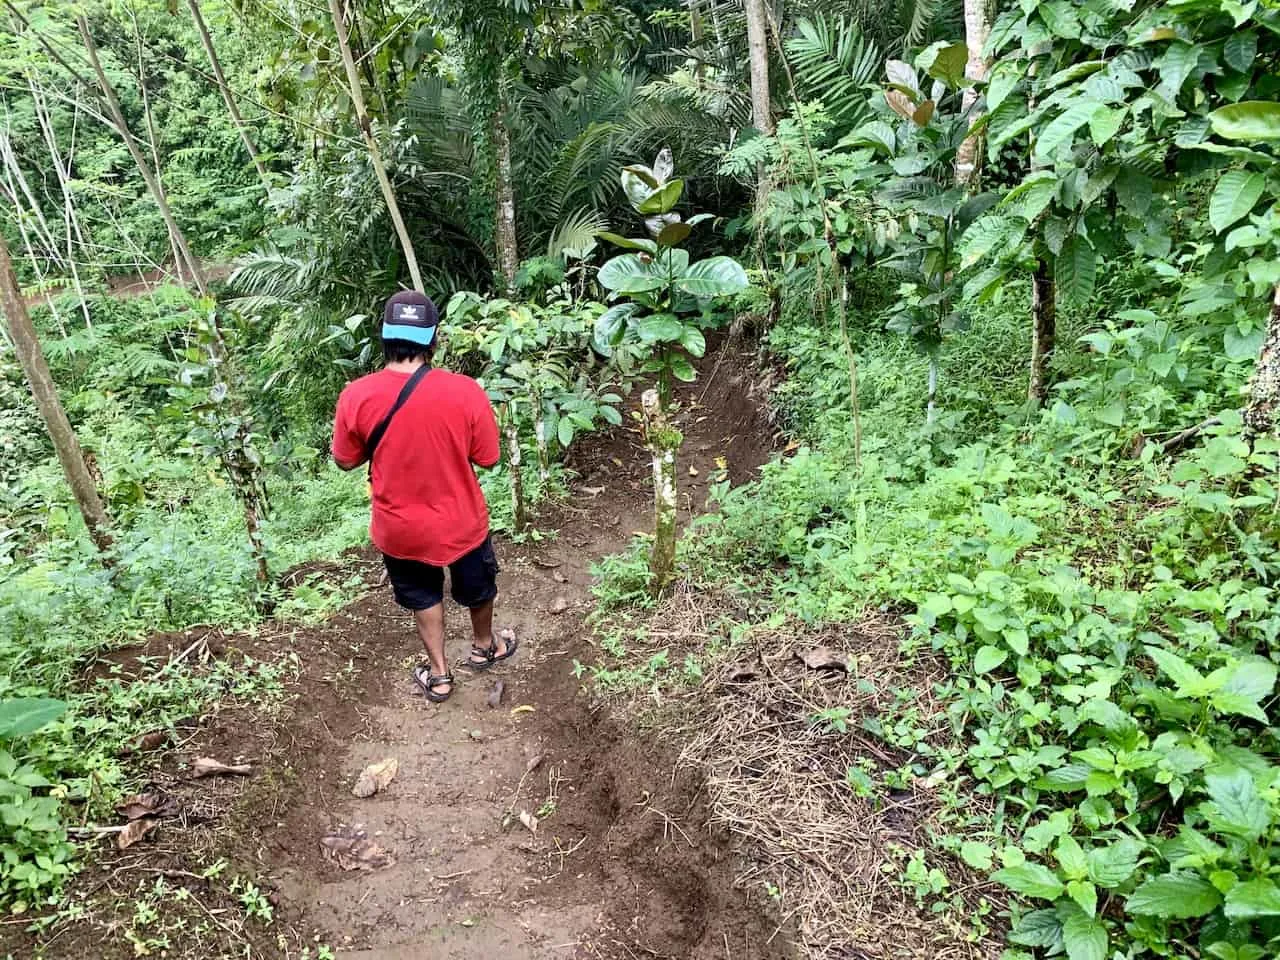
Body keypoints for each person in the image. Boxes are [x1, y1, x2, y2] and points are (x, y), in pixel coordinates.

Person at [330, 290, 517, 702]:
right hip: (461, 520)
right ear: (434, 339)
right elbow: (488, 457)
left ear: (384, 336)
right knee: (478, 585)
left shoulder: (355, 395)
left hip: (400, 527)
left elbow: (345, 461)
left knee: (422, 595)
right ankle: (486, 646)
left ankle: (439, 674)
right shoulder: (465, 390)